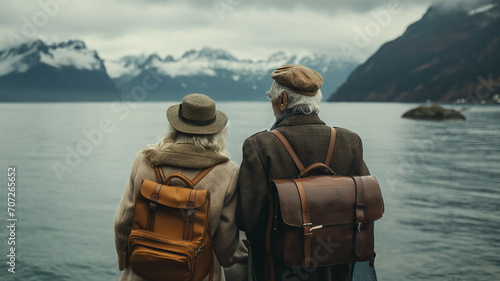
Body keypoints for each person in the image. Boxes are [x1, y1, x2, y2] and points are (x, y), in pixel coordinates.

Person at [237, 64, 371, 281]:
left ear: (282, 100)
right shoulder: (350, 141)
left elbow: (248, 219)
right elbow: (363, 204)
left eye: (270, 95)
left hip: (279, 268)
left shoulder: (260, 145)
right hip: (338, 266)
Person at [114, 93, 248, 281]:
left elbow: (123, 221)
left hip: (143, 271)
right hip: (198, 272)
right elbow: (225, 242)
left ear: (175, 126)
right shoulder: (228, 172)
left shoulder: (143, 161)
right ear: (215, 131)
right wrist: (240, 257)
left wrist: (125, 260)